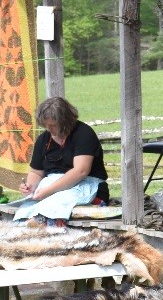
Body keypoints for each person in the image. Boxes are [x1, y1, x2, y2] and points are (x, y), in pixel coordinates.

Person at [11, 96, 109, 224]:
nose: (48, 129)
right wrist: (30, 186)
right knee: (26, 210)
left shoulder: (83, 134)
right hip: (51, 187)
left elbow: (80, 171)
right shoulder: (43, 140)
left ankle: (48, 229)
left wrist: (48, 191)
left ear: (65, 121)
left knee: (53, 205)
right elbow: (36, 172)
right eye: (45, 125)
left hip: (85, 185)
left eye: (53, 125)